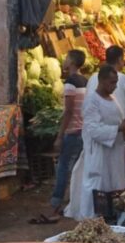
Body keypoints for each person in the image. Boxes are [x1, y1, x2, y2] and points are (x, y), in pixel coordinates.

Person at [30, 50, 87, 225]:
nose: (64, 60)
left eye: (66, 58)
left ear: (71, 62)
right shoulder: (85, 80)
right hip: (83, 131)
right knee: (78, 170)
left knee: (63, 168)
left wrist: (60, 135)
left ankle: (55, 206)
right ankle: (74, 204)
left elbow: (69, 111)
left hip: (73, 132)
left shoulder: (70, 83)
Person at [80, 65, 125, 219]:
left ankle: (114, 216)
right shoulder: (92, 101)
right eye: (112, 83)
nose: (114, 87)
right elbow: (93, 130)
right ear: (103, 81)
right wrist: (120, 128)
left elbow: (116, 119)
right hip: (101, 151)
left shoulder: (111, 98)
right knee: (100, 183)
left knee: (115, 183)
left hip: (116, 149)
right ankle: (97, 218)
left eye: (116, 83)